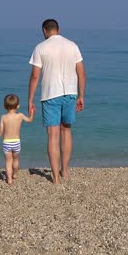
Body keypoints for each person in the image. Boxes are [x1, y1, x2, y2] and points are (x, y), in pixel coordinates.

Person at [27, 19, 85, 184]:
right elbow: (81, 73)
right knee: (66, 131)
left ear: (44, 31)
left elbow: (35, 76)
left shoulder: (41, 47)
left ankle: (55, 177)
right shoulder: (72, 45)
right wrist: (81, 95)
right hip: (70, 93)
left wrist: (30, 99)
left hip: (50, 94)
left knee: (53, 135)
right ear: (58, 29)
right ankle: (65, 171)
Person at [0, 94, 34, 185]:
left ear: (4, 106)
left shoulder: (3, 117)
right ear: (18, 106)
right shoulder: (20, 116)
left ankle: (9, 179)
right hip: (16, 142)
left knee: (8, 162)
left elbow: (0, 130)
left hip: (7, 142)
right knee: (15, 160)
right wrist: (32, 112)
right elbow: (30, 120)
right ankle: (14, 174)